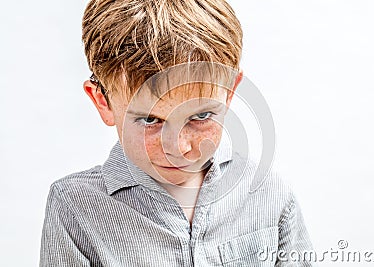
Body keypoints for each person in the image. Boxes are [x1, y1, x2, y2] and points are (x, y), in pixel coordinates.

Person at [40, 0, 314, 266]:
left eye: (201, 116)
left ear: (229, 92)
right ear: (103, 102)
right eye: (151, 120)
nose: (179, 148)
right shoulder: (74, 207)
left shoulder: (270, 193)